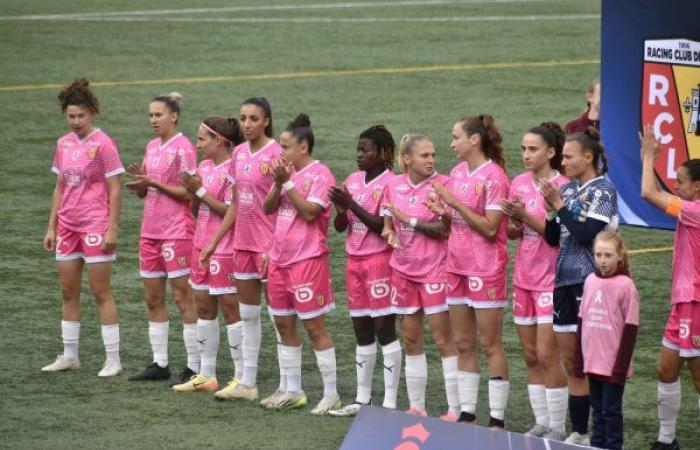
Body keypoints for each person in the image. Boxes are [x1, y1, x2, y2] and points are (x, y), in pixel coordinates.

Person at [200, 97, 284, 403]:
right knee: (248, 316)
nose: (247, 124)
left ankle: (287, 384)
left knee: (279, 317)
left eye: (253, 119)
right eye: (243, 118)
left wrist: (273, 246)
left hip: (268, 247)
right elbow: (236, 203)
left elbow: (283, 203)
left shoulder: (277, 153)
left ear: (266, 122)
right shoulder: (237, 154)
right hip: (242, 244)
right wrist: (214, 241)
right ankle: (247, 382)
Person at [430, 115, 510, 427]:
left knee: (491, 344)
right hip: (456, 266)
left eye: (456, 137)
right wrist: (444, 213)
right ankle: (466, 413)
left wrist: (454, 203)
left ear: (474, 140)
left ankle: (497, 418)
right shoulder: (457, 172)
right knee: (463, 342)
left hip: (486, 268)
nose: (451, 144)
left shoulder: (495, 177)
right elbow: (455, 224)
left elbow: (491, 228)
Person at [42, 78, 124, 377]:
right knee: (68, 292)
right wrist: (51, 227)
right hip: (67, 228)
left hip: (95, 225)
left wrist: (112, 229)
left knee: (101, 291)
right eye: (71, 116)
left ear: (92, 112)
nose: (76, 121)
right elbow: (60, 186)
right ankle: (70, 355)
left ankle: (113, 359)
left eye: (81, 116)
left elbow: (116, 187)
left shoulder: (104, 143)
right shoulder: (63, 144)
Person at [541, 127, 618, 445]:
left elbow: (588, 236)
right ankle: (579, 431)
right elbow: (552, 239)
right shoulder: (569, 190)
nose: (563, 161)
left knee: (595, 364)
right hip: (564, 284)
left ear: (588, 157)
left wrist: (559, 206)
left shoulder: (602, 191)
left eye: (568, 156)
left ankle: (601, 434)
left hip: (593, 285)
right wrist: (550, 210)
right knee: (572, 363)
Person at [262, 114, 340, 414]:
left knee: (314, 327)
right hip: (279, 260)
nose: (280, 152)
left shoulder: (322, 175)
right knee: (283, 325)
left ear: (303, 146)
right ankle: (292, 390)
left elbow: (309, 213)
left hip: (307, 261)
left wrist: (289, 183)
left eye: (285, 146)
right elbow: (268, 208)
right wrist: (277, 183)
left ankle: (331, 394)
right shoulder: (285, 173)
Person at [124, 93, 200, 385]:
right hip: (150, 231)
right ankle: (160, 363)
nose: (153, 120)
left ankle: (193, 365)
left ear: (174, 116)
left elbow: (189, 192)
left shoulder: (184, 148)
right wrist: (141, 184)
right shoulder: (151, 147)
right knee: (152, 297)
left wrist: (152, 181)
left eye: (158, 115)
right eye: (150, 115)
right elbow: (148, 191)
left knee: (183, 297)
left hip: (177, 231)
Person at [382, 134, 459, 418]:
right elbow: (387, 222)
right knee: (412, 340)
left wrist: (409, 221)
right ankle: (417, 408)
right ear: (407, 159)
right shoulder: (393, 185)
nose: (431, 160)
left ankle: (454, 410)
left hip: (435, 271)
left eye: (432, 154)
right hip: (402, 272)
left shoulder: (443, 185)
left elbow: (445, 230)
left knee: (443, 341)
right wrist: (390, 231)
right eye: (425, 155)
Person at [327, 125, 401, 416]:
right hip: (354, 262)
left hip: (380, 261)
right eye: (358, 149)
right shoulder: (353, 180)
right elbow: (340, 226)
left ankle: (391, 403)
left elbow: (380, 227)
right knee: (361, 329)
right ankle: (362, 399)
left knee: (384, 328)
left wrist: (351, 204)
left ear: (382, 153)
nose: (359, 155)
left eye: (365, 150)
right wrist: (340, 209)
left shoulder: (390, 183)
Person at [501, 122, 569, 438]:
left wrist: (525, 217)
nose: (526, 155)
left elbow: (558, 237)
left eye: (533, 149)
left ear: (551, 152)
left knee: (546, 354)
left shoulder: (564, 187)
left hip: (552, 281)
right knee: (529, 355)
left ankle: (557, 426)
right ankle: (541, 421)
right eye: (523, 149)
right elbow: (517, 233)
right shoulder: (518, 183)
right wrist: (513, 222)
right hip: (523, 279)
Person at [172, 116, 246, 394]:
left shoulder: (232, 170)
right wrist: (193, 195)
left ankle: (240, 375)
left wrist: (198, 190)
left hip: (224, 246)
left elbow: (230, 211)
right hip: (199, 243)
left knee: (230, 309)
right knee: (204, 308)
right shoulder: (203, 166)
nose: (198, 143)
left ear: (220, 140)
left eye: (203, 138)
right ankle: (207, 374)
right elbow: (196, 211)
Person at [640, 125, 700, 450]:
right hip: (683, 302)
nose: (676, 187)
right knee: (665, 370)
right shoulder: (691, 208)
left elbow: (649, 193)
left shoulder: (695, 211)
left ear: (698, 186)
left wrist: (649, 157)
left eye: (680, 182)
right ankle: (666, 440)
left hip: (696, 302)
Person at [573, 230, 638, 450]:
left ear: (620, 256)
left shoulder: (626, 286)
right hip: (593, 362)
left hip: (613, 367)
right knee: (597, 412)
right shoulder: (590, 281)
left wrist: (620, 369)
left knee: (611, 412)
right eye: (598, 254)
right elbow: (582, 321)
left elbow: (630, 331)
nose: (602, 260)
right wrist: (579, 361)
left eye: (608, 255)